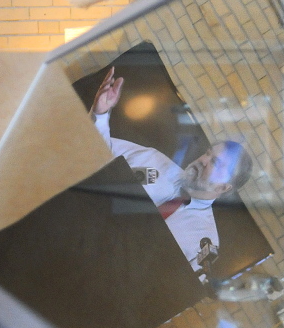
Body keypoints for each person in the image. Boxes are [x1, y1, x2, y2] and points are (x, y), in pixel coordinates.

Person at [90, 66, 253, 277]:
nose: (202, 160)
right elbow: (99, 151)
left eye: (214, 162)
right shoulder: (154, 161)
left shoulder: (204, 241)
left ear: (223, 186)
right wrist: (101, 114)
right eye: (207, 153)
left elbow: (175, 286)